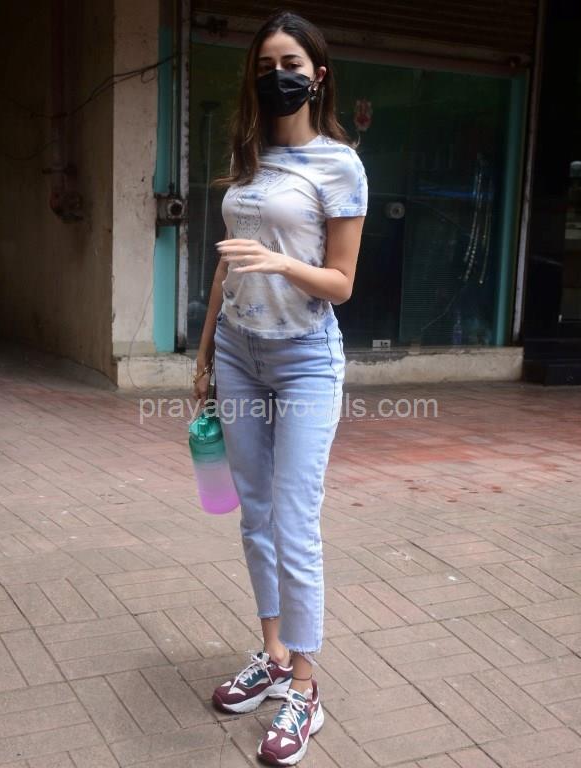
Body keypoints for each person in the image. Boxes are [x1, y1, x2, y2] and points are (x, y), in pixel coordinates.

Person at [193, 9, 368, 766]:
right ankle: (270, 655)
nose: (277, 76)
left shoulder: (341, 165)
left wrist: (281, 262)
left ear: (317, 75)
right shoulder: (249, 155)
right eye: (265, 65)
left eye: (290, 63)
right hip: (238, 353)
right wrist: (204, 354)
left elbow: (342, 283)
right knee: (254, 514)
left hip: (304, 361)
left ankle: (304, 684)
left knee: (295, 521)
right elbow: (227, 263)